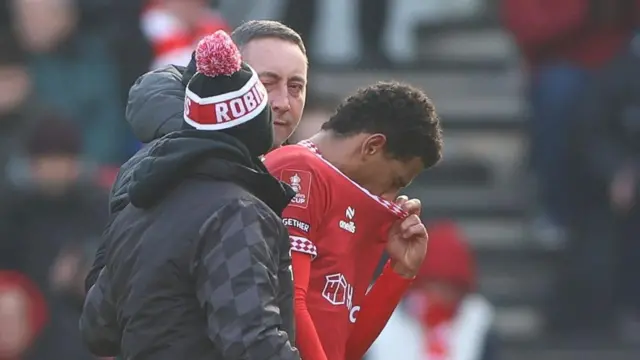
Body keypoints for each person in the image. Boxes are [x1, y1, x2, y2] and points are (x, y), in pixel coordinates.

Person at [80, 31, 300, 359]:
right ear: (256, 126)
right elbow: (253, 343)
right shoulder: (236, 212)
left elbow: (98, 327)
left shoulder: (138, 205)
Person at [263, 82, 443, 360]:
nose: (390, 196)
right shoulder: (300, 171)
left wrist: (400, 271)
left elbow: (345, 350)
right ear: (372, 146)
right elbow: (289, 304)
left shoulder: (342, 196)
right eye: (396, 181)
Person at [367, 220, 499, 360]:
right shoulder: (387, 316)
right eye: (435, 283)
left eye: (451, 286)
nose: (442, 294)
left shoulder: (477, 321)